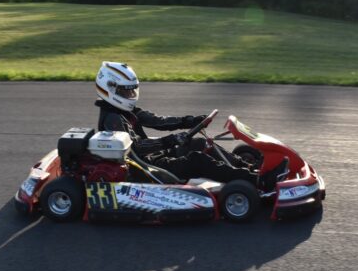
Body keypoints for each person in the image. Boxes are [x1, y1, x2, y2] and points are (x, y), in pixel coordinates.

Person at [94, 61, 287, 190]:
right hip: (147, 168)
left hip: (154, 157)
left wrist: (190, 120)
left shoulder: (125, 111)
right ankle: (259, 181)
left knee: (200, 144)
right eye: (125, 92)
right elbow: (136, 148)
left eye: (131, 91)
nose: (130, 96)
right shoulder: (113, 119)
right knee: (197, 159)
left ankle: (249, 168)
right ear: (110, 89)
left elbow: (158, 122)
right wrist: (172, 140)